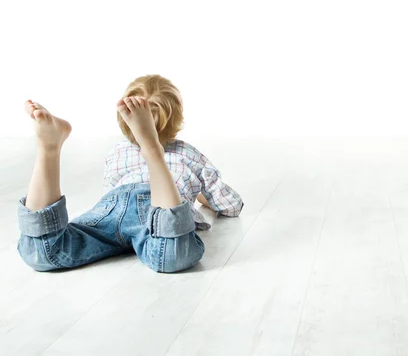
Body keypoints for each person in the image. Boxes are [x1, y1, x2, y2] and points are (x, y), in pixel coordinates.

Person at [17, 75, 244, 273]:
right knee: (174, 254)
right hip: (156, 208)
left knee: (46, 251)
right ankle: (152, 149)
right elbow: (231, 205)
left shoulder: (117, 152)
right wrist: (201, 196)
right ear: (176, 121)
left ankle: (49, 149)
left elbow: (110, 192)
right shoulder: (189, 155)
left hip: (113, 204)